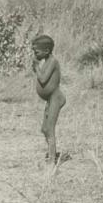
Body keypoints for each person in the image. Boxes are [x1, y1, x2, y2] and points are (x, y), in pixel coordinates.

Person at [32, 35, 69, 169]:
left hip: (55, 98)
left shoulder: (53, 61)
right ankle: (50, 153)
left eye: (36, 52)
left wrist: (36, 67)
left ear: (46, 51)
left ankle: (52, 161)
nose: (34, 54)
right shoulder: (47, 61)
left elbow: (42, 79)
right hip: (49, 99)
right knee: (44, 128)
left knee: (50, 129)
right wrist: (35, 66)